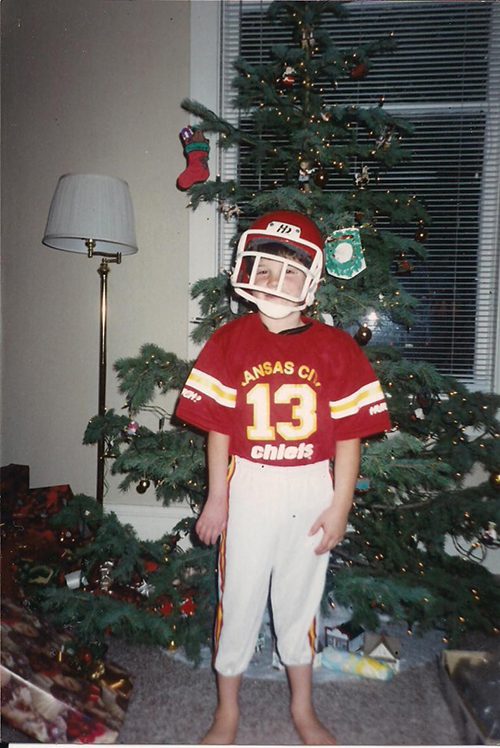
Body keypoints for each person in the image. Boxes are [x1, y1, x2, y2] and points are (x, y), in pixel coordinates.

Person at [175, 210, 391, 745]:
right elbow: (219, 431)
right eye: (264, 269)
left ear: (312, 280)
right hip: (250, 483)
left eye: (289, 272)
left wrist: (341, 504)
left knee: (300, 601)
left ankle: (302, 706)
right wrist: (217, 499)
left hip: (309, 484)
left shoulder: (337, 348)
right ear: (246, 269)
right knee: (240, 597)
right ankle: (228, 710)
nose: (275, 282)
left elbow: (349, 437)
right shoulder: (228, 341)